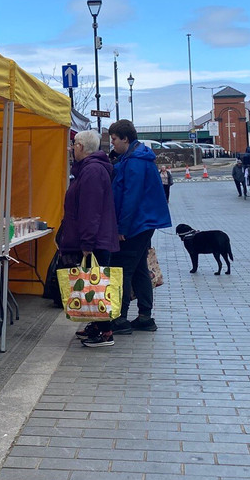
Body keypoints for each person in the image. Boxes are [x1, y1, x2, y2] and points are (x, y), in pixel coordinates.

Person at [108, 119, 172, 334]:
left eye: (114, 140)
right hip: (144, 222)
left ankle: (120, 318)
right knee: (139, 269)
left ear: (125, 138)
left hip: (136, 224)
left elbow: (130, 197)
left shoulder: (135, 161)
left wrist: (121, 228)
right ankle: (145, 316)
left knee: (124, 269)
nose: (112, 144)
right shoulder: (136, 157)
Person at [61, 130, 121, 347]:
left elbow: (90, 209)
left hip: (95, 240)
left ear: (81, 147)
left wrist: (87, 242)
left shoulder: (92, 171)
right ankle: (96, 325)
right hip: (96, 238)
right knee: (93, 285)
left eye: (73, 144)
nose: (71, 148)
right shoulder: (89, 169)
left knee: (97, 285)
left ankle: (105, 332)